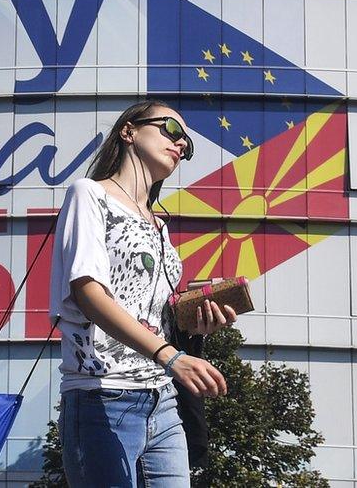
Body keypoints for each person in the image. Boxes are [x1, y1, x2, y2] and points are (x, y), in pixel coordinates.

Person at [49, 100, 237, 487]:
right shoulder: (89, 194)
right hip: (103, 396)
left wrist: (196, 321)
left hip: (162, 399)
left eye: (186, 141)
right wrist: (172, 357)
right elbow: (87, 292)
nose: (181, 143)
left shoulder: (159, 227)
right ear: (129, 131)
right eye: (171, 129)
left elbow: (156, 317)